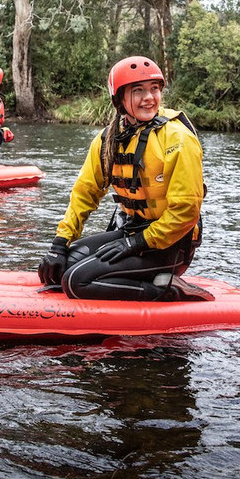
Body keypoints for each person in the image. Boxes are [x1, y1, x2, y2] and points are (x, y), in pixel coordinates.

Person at [37, 56, 211, 302]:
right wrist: (59, 243)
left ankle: (168, 289)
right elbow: (85, 192)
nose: (148, 97)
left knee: (77, 281)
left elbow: (186, 211)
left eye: (154, 89)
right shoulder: (108, 138)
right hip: (132, 233)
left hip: (171, 244)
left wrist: (137, 243)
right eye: (138, 91)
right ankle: (143, 279)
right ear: (119, 99)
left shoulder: (178, 138)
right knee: (65, 264)